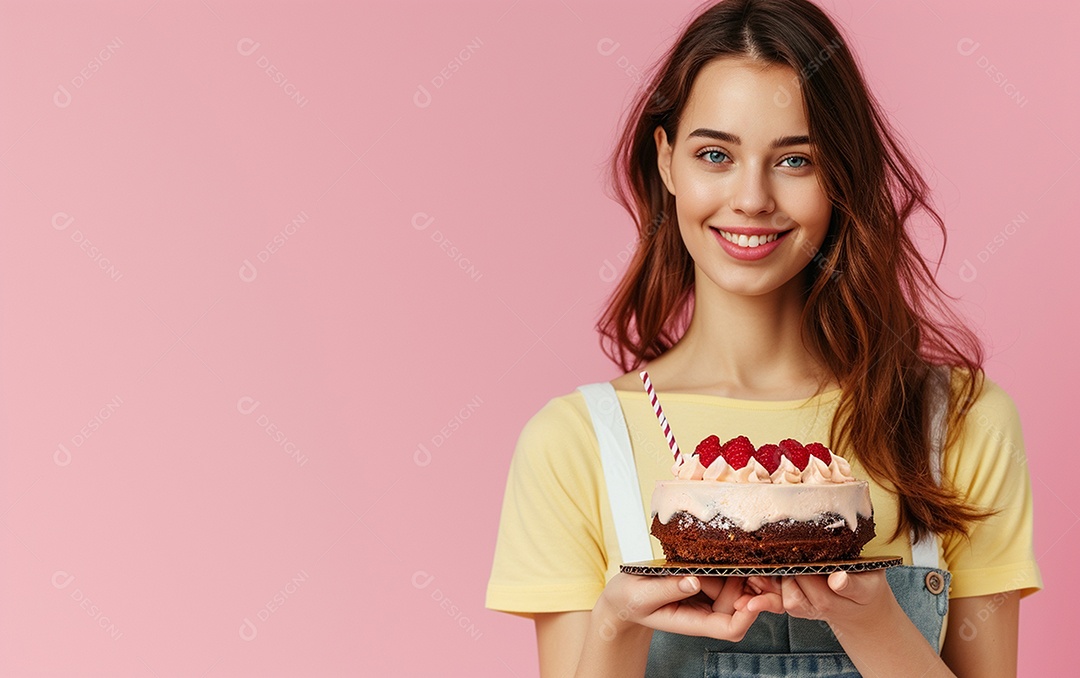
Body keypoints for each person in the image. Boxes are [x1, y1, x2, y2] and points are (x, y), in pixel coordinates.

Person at [485, 0, 1042, 675]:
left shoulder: (957, 422)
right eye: (715, 154)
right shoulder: (572, 444)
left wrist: (872, 621)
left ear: (842, 174)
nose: (751, 198)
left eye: (795, 160)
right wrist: (616, 624)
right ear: (666, 163)